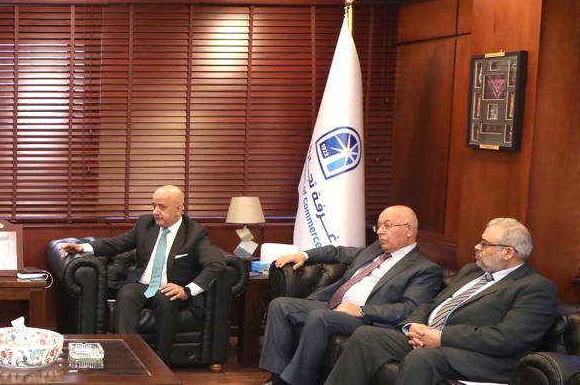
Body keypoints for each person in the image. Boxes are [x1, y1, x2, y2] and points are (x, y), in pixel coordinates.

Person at [324, 217, 559, 385]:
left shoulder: (536, 288)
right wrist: (415, 326)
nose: (477, 247)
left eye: (485, 244)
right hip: (431, 338)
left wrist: (441, 338)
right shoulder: (471, 271)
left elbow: (506, 339)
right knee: (367, 336)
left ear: (508, 252)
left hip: (482, 358)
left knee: (423, 359)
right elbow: (431, 304)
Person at [259, 205, 443, 385]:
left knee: (320, 317)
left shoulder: (424, 269)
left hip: (366, 319)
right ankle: (276, 380)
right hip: (333, 303)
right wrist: (304, 255)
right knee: (280, 305)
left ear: (409, 230)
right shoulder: (375, 249)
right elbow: (337, 252)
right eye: (378, 226)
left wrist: (362, 311)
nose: (380, 231)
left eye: (387, 225)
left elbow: (408, 309)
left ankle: (296, 382)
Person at [59, 185, 225, 362]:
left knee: (167, 299)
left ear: (179, 209)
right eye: (154, 206)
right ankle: (125, 358)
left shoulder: (195, 233)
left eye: (162, 207)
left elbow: (216, 264)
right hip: (143, 285)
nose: (155, 212)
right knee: (127, 294)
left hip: (170, 288)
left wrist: (187, 290)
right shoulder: (146, 224)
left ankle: (161, 362)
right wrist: (82, 248)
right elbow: (118, 243)